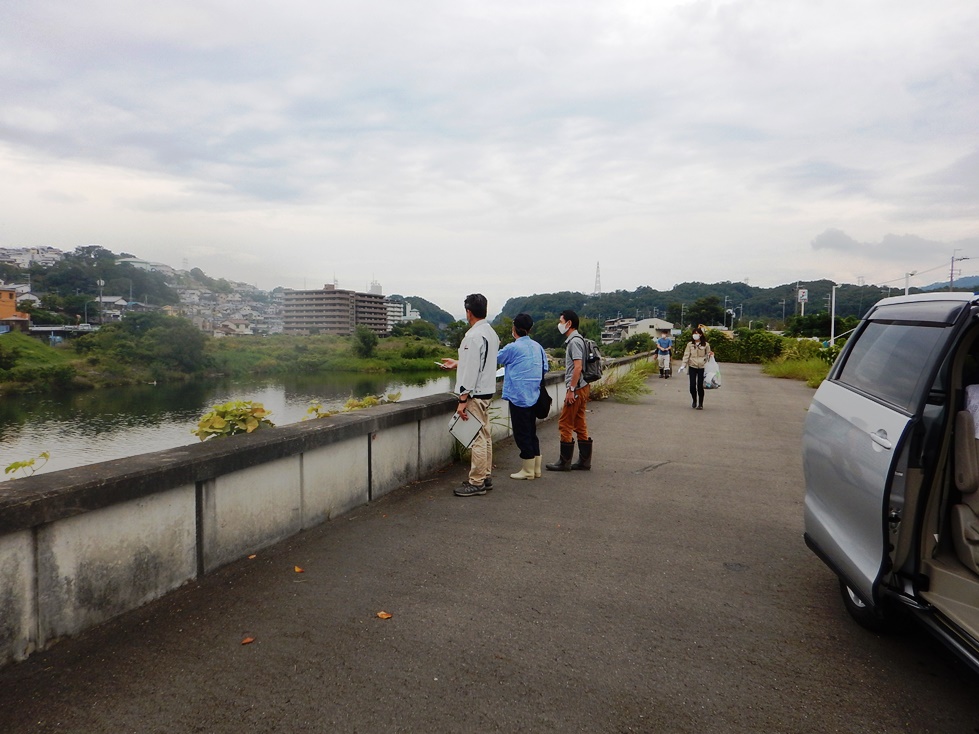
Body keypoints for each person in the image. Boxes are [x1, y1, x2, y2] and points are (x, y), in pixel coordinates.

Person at [440, 293, 500, 497]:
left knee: (477, 438)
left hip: (475, 394)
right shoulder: (491, 333)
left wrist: (462, 399)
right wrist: (458, 363)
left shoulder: (473, 336)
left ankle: (476, 482)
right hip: (487, 391)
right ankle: (485, 476)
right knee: (485, 436)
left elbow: (472, 370)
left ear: (468, 312)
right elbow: (480, 363)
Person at [497, 313, 549, 480]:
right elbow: (545, 368)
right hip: (535, 393)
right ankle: (536, 468)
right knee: (531, 431)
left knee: (521, 433)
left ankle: (527, 470)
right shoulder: (538, 347)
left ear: (514, 328)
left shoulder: (512, 347)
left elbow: (495, 358)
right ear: (530, 328)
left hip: (518, 395)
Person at [546, 309, 593, 471]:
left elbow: (577, 367)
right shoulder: (580, 340)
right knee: (579, 422)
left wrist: (571, 390)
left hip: (577, 388)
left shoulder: (574, 342)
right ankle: (584, 461)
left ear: (569, 323)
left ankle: (564, 461)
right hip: (584, 386)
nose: (559, 325)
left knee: (565, 422)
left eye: (561, 321)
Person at [680, 326, 713, 410]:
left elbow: (709, 355)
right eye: (694, 333)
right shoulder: (690, 344)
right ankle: (694, 400)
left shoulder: (706, 344)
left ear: (701, 335)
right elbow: (686, 355)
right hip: (692, 366)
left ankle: (700, 403)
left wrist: (710, 356)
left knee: (700, 386)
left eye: (697, 333)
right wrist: (683, 365)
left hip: (702, 366)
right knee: (692, 385)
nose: (695, 335)